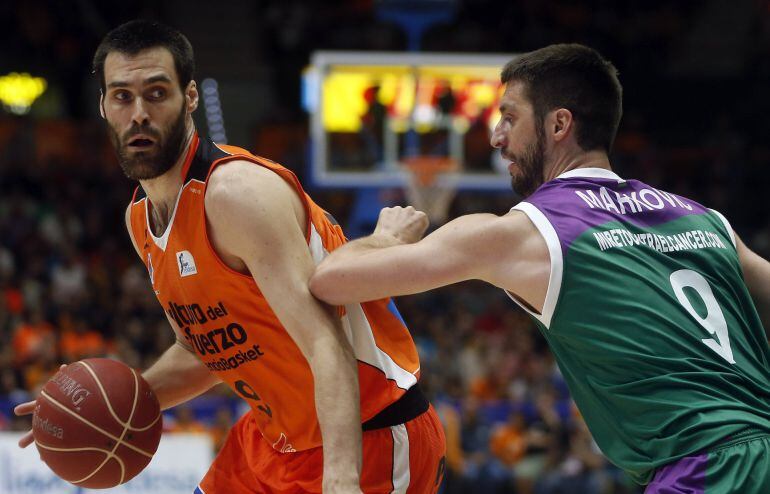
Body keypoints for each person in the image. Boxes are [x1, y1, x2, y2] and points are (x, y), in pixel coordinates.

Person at [310, 43, 770, 493]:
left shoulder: (527, 232)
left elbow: (329, 282)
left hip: (703, 468)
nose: (496, 137)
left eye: (509, 117)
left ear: (558, 124)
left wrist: (386, 239)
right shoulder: (706, 221)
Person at [15, 20, 445, 494]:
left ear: (190, 97)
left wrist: (340, 481)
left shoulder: (237, 194)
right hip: (270, 442)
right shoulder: (139, 220)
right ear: (103, 106)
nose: (139, 113)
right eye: (122, 97)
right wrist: (95, 406)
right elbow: (204, 351)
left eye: (156, 94)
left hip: (368, 434)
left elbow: (327, 344)